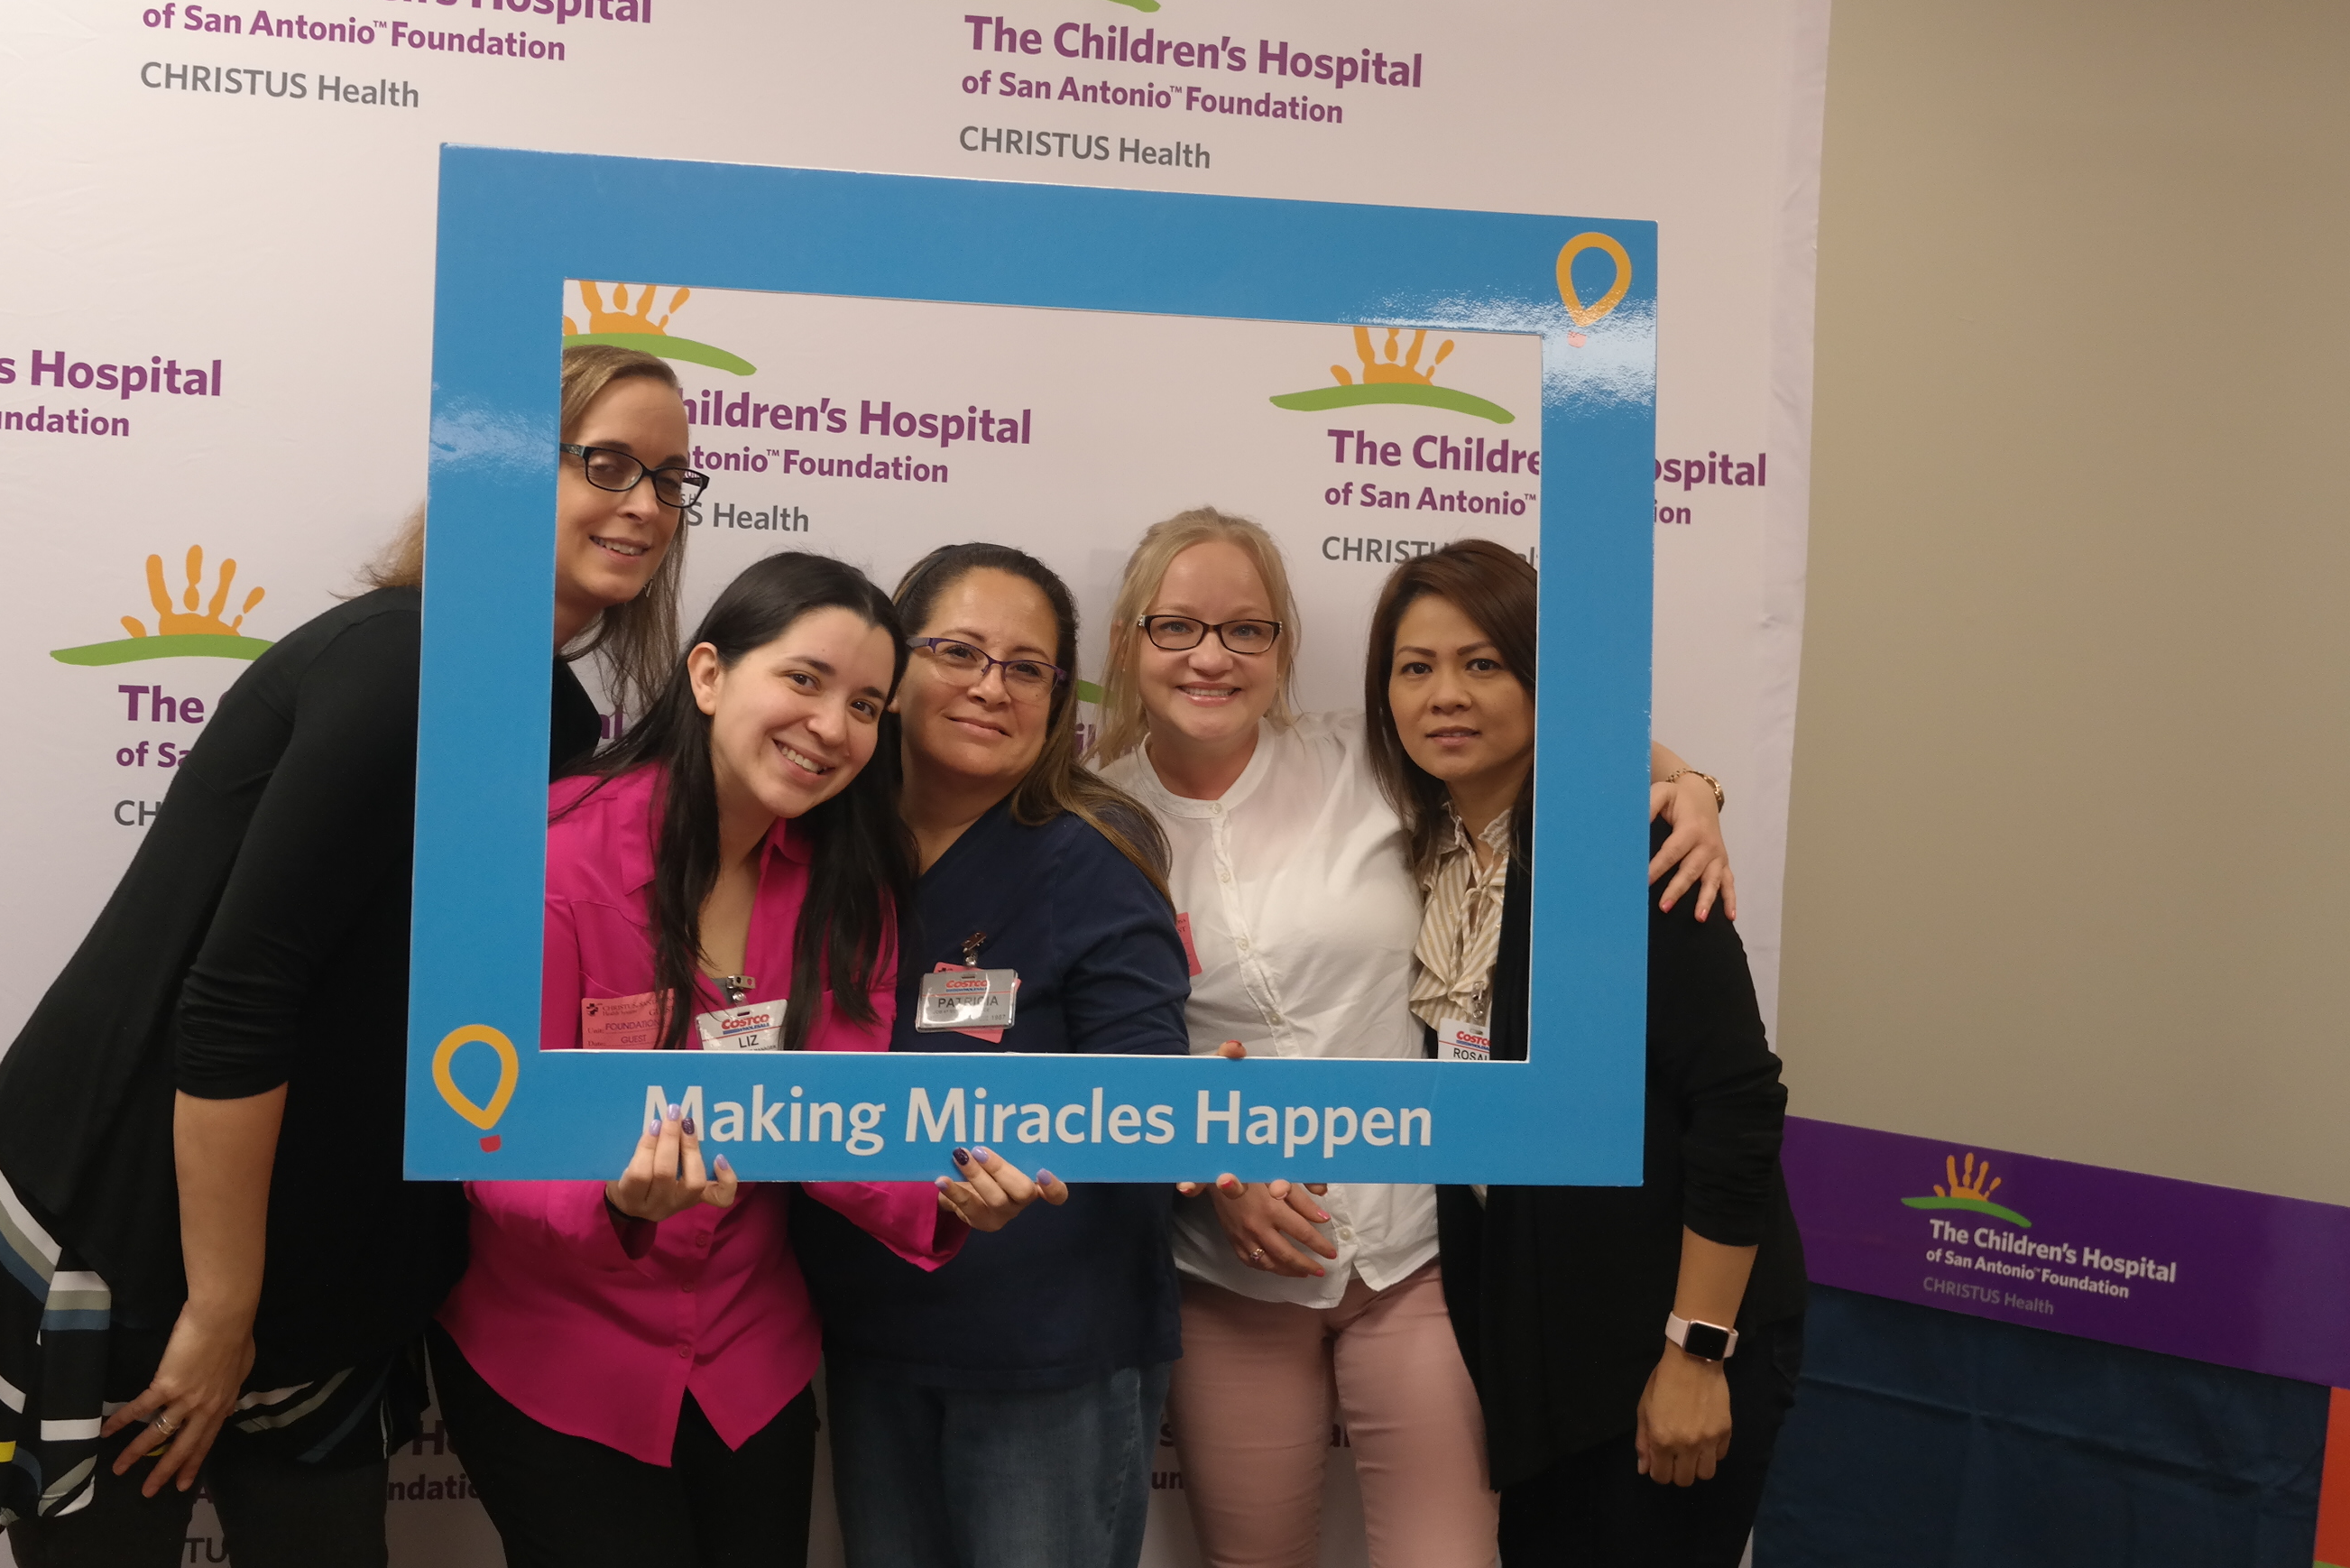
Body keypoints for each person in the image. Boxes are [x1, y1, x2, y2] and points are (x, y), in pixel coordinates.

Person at [0, 344, 701, 1564]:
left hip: (323, 1258)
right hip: (145, 1234)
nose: (645, 504)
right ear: (499, 473)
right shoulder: (404, 659)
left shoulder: (556, 714)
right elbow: (236, 1001)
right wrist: (221, 1311)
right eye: (607, 463)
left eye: (671, 478)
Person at [1094, 508, 1734, 1568]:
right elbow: (1099, 1054)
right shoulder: (1095, 821)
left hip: (1421, 1256)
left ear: (1283, 646)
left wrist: (1687, 786)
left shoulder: (1365, 759)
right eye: (1177, 627)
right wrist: (1206, 1171)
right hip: (1227, 1271)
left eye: (1247, 629)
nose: (1212, 656)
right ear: (1128, 641)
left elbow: (1557, 740)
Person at [429, 551, 1061, 1568]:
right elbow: (486, 1131)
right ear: (710, 673)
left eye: (866, 705)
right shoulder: (552, 856)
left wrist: (946, 1194)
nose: (832, 727)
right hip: (557, 1359)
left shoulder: (846, 882)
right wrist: (616, 1201)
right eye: (804, 679)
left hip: (747, 1359)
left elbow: (837, 1119)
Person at [1369, 540, 1804, 1568]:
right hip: (1533, 1345)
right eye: (1416, 666)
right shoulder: (1429, 849)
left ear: (1544, 679)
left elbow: (1737, 1104)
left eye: (1483, 663)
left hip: (1668, 1333)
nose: (1445, 695)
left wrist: (1697, 1350)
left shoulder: (1628, 849)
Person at [791, 542, 1191, 1568]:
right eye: (959, 651)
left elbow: (1148, 1107)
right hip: (872, 1331)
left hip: (1045, 1352)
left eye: (1027, 668)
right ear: (894, 664)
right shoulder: (826, 841)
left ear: (1059, 699)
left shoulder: (1093, 856)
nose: (990, 686)